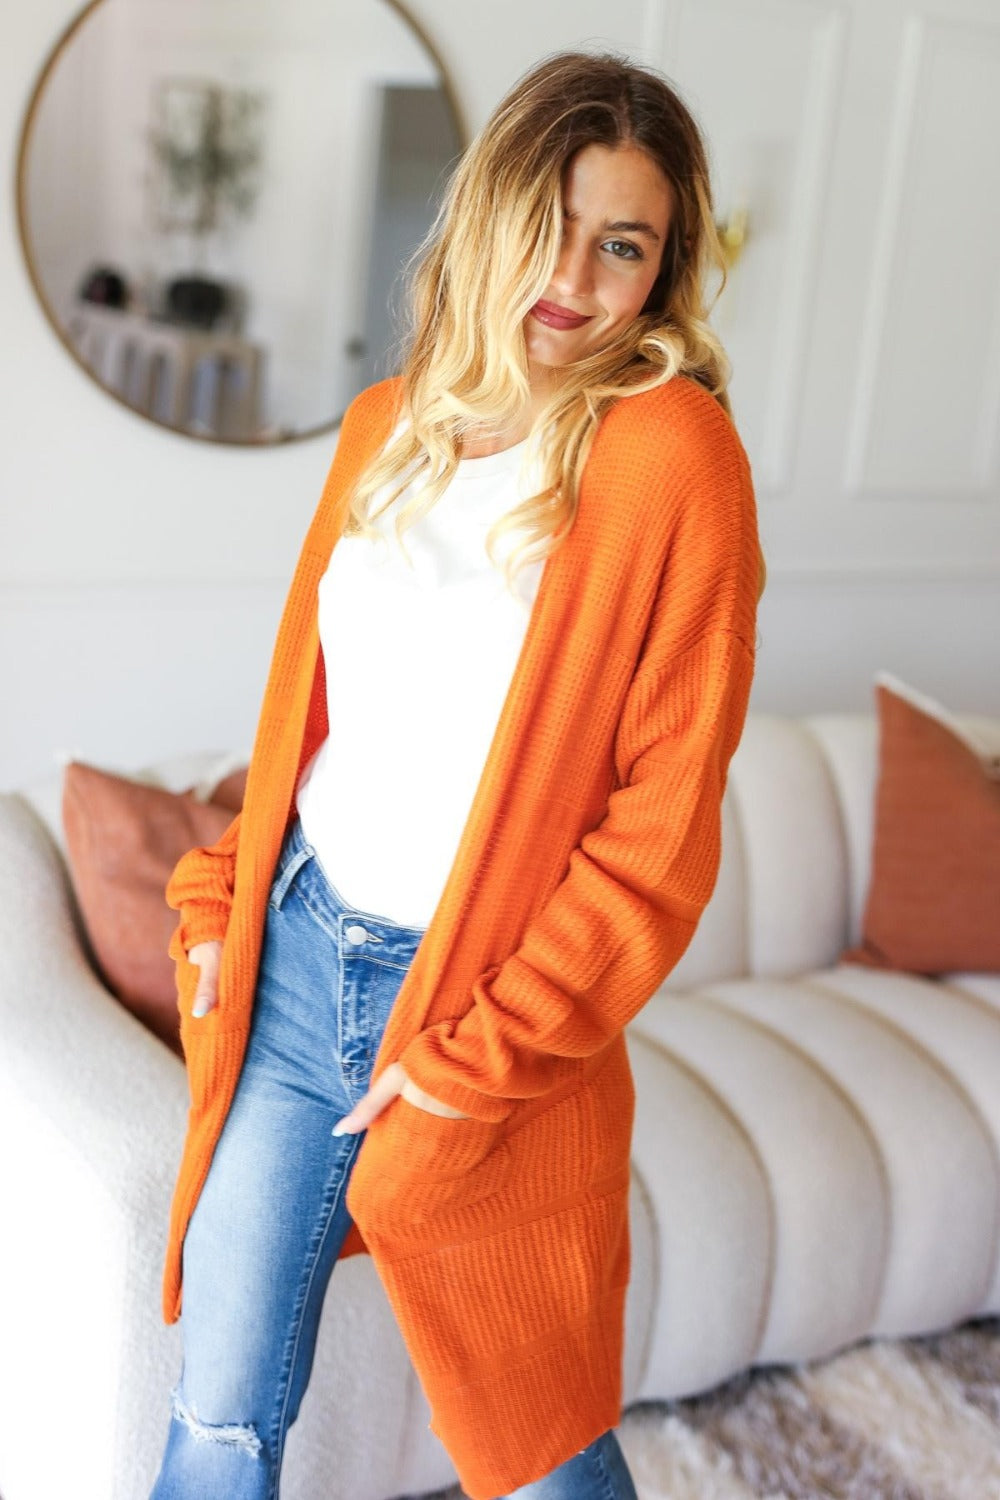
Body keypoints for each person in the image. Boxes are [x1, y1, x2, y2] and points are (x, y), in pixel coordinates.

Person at [150, 47, 766, 1500]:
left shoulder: (672, 459)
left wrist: (468, 1061)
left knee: (539, 1450)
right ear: (488, 215)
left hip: (489, 1008)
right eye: (551, 224)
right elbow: (314, 720)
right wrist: (221, 904)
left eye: (624, 245)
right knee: (218, 1418)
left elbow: (659, 839)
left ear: (664, 271)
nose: (576, 277)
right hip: (298, 965)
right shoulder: (390, 424)